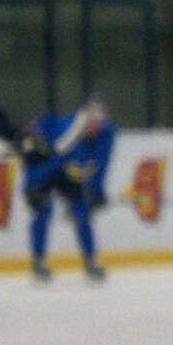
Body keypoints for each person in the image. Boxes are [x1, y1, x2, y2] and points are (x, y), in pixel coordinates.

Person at [25, 99, 114, 282]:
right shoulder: (63, 130)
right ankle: (39, 261)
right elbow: (39, 160)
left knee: (82, 213)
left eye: (97, 123)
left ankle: (91, 260)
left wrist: (97, 192)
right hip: (46, 169)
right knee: (43, 211)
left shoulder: (105, 135)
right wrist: (32, 186)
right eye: (91, 122)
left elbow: (99, 165)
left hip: (70, 173)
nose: (94, 127)